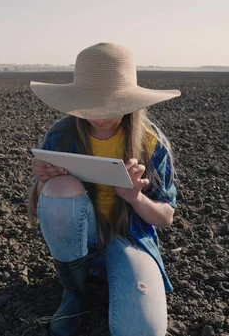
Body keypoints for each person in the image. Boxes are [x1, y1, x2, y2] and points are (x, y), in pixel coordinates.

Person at [27, 43, 180, 336]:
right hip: (82, 237)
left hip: (130, 237)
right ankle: (75, 289)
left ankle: (112, 274)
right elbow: (41, 207)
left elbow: (165, 217)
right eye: (90, 104)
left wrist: (135, 198)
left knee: (142, 331)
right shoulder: (62, 134)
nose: (98, 115)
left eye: (110, 106)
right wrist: (44, 181)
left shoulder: (151, 143)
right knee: (60, 187)